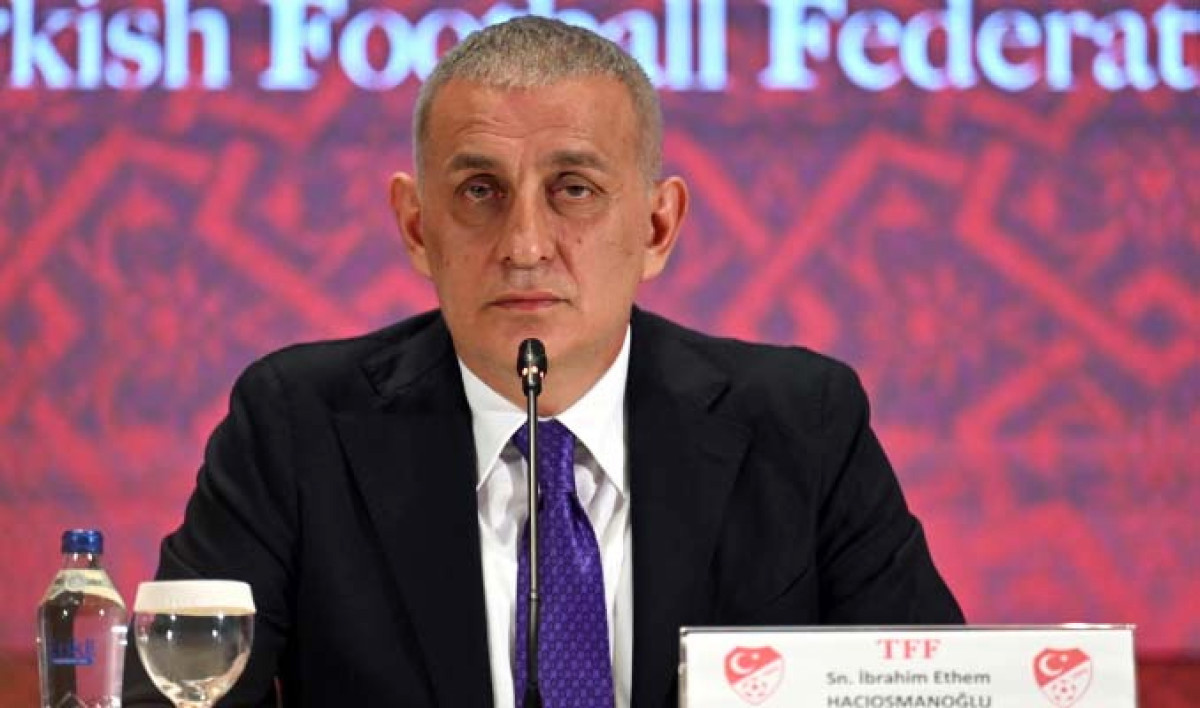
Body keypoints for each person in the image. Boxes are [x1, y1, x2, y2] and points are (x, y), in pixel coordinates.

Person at [123, 15, 962, 708]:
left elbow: (935, 691)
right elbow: (175, 694)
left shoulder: (802, 425)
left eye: (575, 189)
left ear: (658, 227)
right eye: (479, 192)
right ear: (417, 227)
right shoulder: (295, 426)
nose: (524, 245)